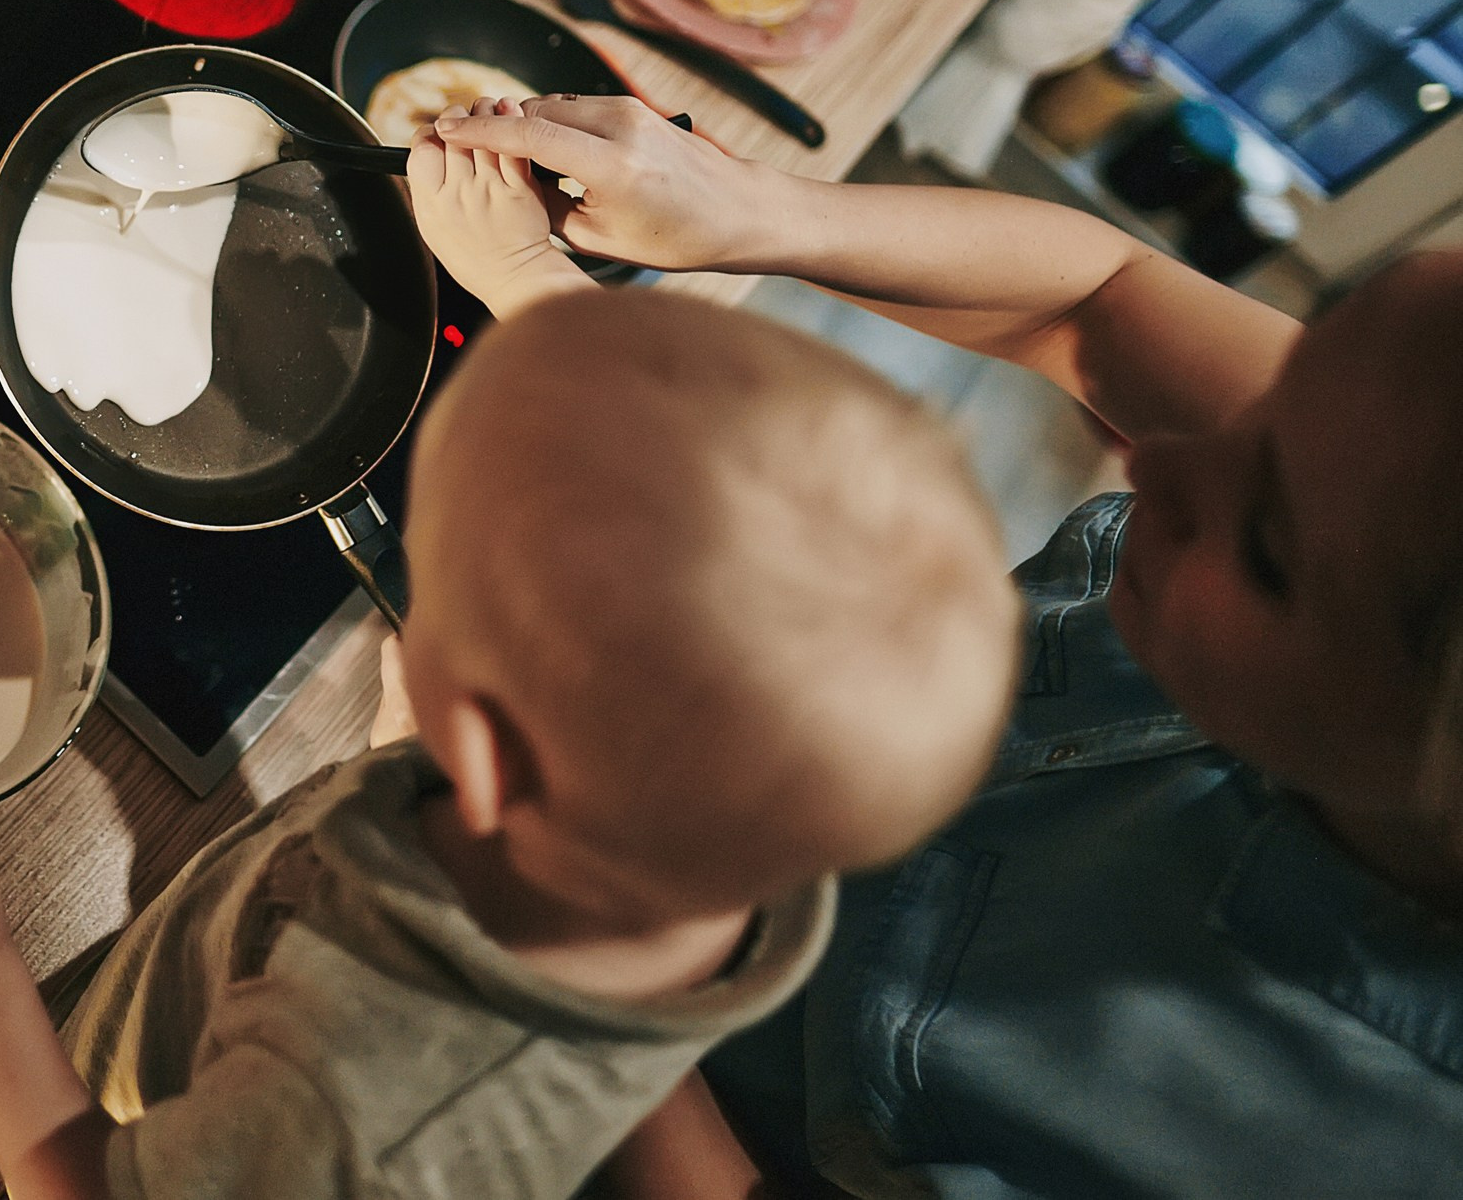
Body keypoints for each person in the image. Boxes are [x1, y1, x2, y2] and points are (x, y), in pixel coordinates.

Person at [415, 94, 1463, 1198]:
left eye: (1259, 545)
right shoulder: (1393, 482)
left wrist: (572, 922)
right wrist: (751, 212)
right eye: (1278, 393)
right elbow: (1098, 303)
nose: (1154, 465)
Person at [0, 286, 1023, 1200]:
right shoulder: (730, 872)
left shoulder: (355, 1112)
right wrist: (408, 750)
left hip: (134, 1115)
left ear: (489, 760)